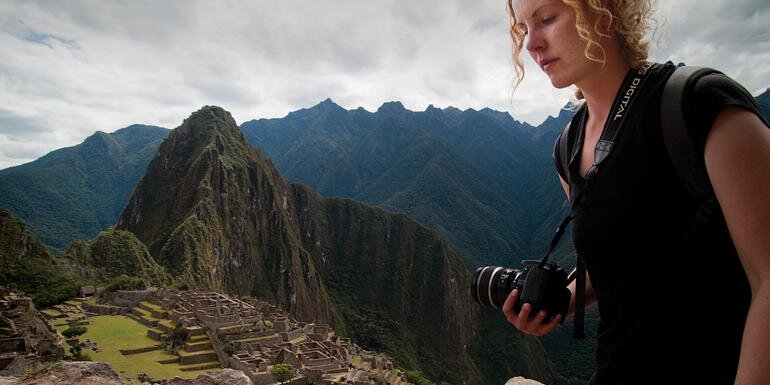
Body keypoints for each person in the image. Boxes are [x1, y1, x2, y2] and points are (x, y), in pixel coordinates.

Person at [500, 1, 770, 384]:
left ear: (604, 11)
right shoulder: (568, 147)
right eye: (524, 29)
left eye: (547, 18)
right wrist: (556, 301)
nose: (532, 45)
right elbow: (615, 259)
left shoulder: (699, 105)